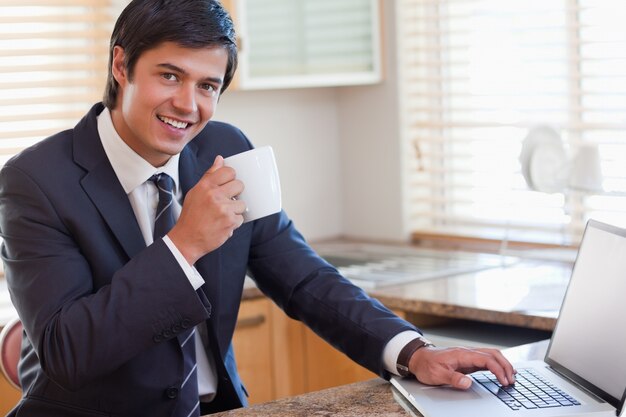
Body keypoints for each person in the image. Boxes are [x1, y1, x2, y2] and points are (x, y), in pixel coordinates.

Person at [0, 1, 515, 416]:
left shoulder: (225, 148)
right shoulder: (35, 181)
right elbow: (67, 350)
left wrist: (412, 352)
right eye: (170, 76)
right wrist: (185, 244)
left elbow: (305, 281)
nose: (187, 104)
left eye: (207, 86)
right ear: (121, 65)